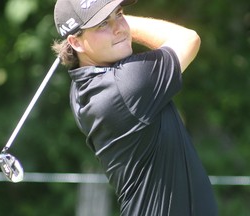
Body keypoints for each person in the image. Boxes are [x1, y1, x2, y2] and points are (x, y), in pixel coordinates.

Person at [52, 0, 218, 215]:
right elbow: (188, 39)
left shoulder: (81, 89)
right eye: (102, 24)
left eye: (119, 13)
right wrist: (127, 21)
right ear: (75, 42)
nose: (119, 28)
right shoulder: (126, 84)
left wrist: (107, 21)